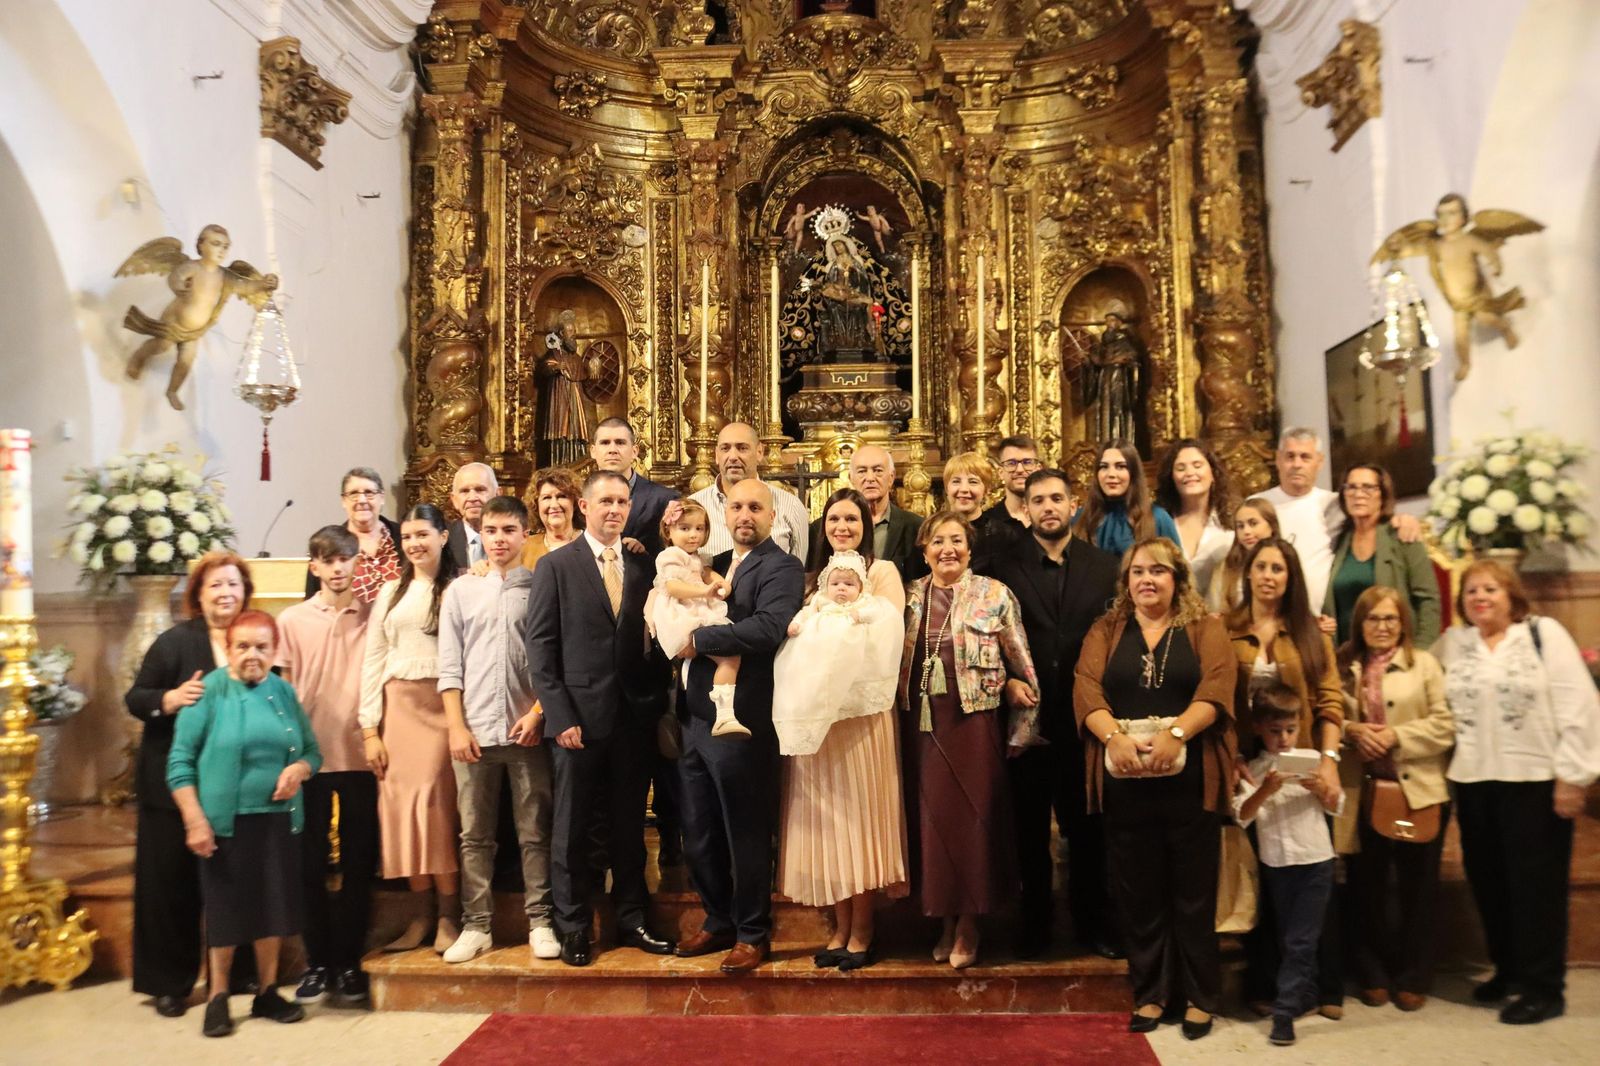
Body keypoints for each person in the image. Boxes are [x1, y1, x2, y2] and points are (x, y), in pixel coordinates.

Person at [1074, 537, 1236, 1040]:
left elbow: (1218, 686)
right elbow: (1085, 686)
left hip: (1190, 779)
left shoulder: (1205, 628)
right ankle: (1150, 994)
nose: (1147, 579)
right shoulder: (1107, 629)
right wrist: (1114, 738)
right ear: (1126, 581)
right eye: (1138, 571)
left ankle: (1199, 997)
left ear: (1178, 578)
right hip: (1126, 780)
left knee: (1192, 893)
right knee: (1138, 892)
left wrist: (1177, 733)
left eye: (1158, 571)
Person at [1434, 560, 1600, 1025]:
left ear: (1512, 595)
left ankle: (1544, 987)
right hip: (1474, 781)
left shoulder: (1543, 635)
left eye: (1490, 588)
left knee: (1536, 891)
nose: (1479, 597)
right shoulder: (1454, 643)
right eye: (1471, 591)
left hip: (1535, 782)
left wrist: (1572, 776)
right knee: (1490, 884)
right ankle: (1508, 972)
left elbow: (1579, 706)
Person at [525, 471, 677, 967]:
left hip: (632, 719)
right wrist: (561, 715)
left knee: (628, 825)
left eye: (621, 502)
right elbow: (541, 651)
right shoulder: (556, 566)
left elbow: (653, 641)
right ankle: (572, 926)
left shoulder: (642, 565)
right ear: (584, 507)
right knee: (571, 827)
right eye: (605, 501)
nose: (614, 509)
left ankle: (632, 917)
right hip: (577, 723)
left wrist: (652, 702)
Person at [982, 468, 1120, 960]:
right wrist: (1007, 681)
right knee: (1029, 832)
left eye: (1056, 498)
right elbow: (988, 635)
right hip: (1027, 719)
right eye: (1038, 499)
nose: (1048, 507)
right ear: (1027, 507)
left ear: (1072, 503)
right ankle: (1035, 927)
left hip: (1086, 718)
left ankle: (1092, 925)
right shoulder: (1003, 565)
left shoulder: (1104, 566)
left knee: (1087, 830)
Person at [673, 478, 806, 974]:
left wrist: (698, 637)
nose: (745, 514)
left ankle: (752, 931)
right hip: (694, 717)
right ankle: (718, 918)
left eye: (756, 507)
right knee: (698, 829)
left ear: (773, 517)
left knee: (744, 830)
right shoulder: (712, 565)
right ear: (724, 514)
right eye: (736, 506)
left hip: (743, 719)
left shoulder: (782, 567)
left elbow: (770, 627)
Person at [166, 610, 320, 1037]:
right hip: (224, 823)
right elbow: (179, 764)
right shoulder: (208, 692)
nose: (253, 655)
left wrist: (299, 771)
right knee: (226, 912)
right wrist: (195, 820)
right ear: (229, 649)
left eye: (262, 647)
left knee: (272, 908)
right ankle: (217, 996)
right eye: (243, 646)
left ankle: (267, 992)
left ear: (274, 652)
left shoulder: (283, 692)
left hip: (278, 820)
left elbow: (312, 750)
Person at [899, 511, 1042, 970]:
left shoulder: (994, 594)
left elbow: (1024, 667)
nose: (948, 549)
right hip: (920, 724)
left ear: (970, 547)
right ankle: (941, 919)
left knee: (972, 824)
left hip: (973, 723)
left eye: (957, 540)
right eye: (938, 540)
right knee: (931, 823)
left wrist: (1023, 725)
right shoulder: (907, 598)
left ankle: (968, 924)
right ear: (924, 549)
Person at [778, 490, 910, 972]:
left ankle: (864, 929)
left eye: (851, 518)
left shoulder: (881, 573)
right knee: (829, 824)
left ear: (867, 522)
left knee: (859, 819)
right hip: (820, 719)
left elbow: (888, 633)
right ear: (823, 526)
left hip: (862, 718)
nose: (842, 526)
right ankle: (839, 925)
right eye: (833, 518)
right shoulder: (814, 580)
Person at [125, 551, 256, 1019]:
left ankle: (237, 974)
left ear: (245, 592)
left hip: (233, 786)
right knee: (170, 886)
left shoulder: (254, 639)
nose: (225, 593)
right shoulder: (174, 642)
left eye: (233, 585)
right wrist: (171, 698)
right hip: (171, 787)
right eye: (215, 586)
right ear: (198, 596)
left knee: (232, 881)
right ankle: (169, 983)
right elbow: (136, 698)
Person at [1226, 535, 1347, 1019]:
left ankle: (1328, 987)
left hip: (1304, 761)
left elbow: (1331, 699)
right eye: (1263, 566)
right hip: (1252, 767)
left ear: (1290, 577)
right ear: (1249, 573)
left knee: (1317, 874)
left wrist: (1331, 758)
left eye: (1279, 568)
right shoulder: (1227, 629)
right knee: (1264, 878)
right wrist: (1230, 753)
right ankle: (1265, 981)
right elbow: (1219, 701)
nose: (1270, 575)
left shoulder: (1310, 633)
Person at [436, 496, 558, 964]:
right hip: (474, 732)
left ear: (525, 534)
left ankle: (541, 920)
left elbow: (552, 660)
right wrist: (456, 726)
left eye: (510, 530)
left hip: (525, 729)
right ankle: (477, 925)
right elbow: (450, 667)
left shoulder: (540, 585)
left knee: (534, 832)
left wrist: (539, 713)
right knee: (474, 835)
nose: (500, 539)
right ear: (480, 535)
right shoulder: (461, 591)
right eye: (492, 531)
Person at [1337, 586, 1455, 1011]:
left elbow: (1445, 725)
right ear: (1360, 625)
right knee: (1365, 885)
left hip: (1417, 791)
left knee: (1417, 888)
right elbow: (1330, 715)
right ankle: (1372, 971)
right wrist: (1354, 732)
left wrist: (1396, 736)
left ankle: (1414, 974)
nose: (1382, 627)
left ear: (1403, 622)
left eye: (1390, 618)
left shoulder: (1424, 665)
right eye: (1373, 619)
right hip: (1364, 792)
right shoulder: (1346, 665)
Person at [275, 527, 378, 1006]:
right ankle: (317, 961)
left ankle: (351, 961)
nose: (339, 568)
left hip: (360, 755)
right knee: (309, 865)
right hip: (309, 759)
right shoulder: (291, 620)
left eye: (346, 559)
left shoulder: (374, 615)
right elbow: (286, 691)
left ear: (358, 562)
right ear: (314, 566)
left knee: (359, 864)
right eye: (328, 560)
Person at [358, 503, 462, 953]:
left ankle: (449, 916)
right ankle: (419, 916)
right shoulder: (389, 592)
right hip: (397, 708)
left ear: (443, 536)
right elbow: (373, 660)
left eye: (423, 534)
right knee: (403, 817)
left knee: (436, 814)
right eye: (407, 537)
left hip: (442, 709)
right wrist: (369, 729)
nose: (415, 543)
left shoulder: (460, 588)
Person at [1233, 682, 1347, 1048]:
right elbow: (1242, 815)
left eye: (1290, 730)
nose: (1283, 739)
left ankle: (1283, 1014)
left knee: (1301, 939)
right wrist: (1267, 788)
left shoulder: (1313, 760)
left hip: (1316, 860)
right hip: (1278, 863)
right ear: (1258, 729)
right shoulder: (1253, 769)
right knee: (1288, 937)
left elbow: (1336, 805)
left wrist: (1321, 788)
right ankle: (1304, 996)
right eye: (1274, 731)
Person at [1254, 428, 1422, 615]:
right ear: (1278, 459)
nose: (1297, 464)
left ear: (1320, 461)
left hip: (1322, 620)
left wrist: (1405, 520)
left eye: (1305, 457)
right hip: (1272, 615)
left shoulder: (1336, 505)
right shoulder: (1257, 506)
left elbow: (1375, 517)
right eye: (1290, 456)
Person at [649, 499, 745, 738]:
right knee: (727, 655)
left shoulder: (697, 557)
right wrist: (704, 591)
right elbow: (673, 587)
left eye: (699, 529)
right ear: (668, 531)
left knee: (729, 657)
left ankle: (724, 714)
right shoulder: (670, 556)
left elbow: (705, 571)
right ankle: (723, 714)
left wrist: (720, 581)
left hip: (699, 608)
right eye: (685, 528)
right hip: (681, 612)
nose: (693, 535)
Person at [1323, 463, 1440, 647]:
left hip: (1397, 654)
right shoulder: (1337, 539)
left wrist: (1420, 654)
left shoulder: (1402, 535)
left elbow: (1428, 601)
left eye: (1368, 487)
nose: (1358, 494)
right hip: (1345, 655)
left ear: (1383, 495)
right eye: (1351, 487)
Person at [688, 421, 811, 563]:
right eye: (725, 448)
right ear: (716, 454)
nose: (733, 456)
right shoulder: (695, 506)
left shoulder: (790, 505)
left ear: (759, 452)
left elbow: (797, 571)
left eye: (742, 448)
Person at [1155, 437, 1237, 600]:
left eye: (1197, 465)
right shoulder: (1160, 521)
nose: (1190, 473)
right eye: (1180, 468)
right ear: (1171, 477)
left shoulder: (1232, 522)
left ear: (1213, 473)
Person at [307, 467, 402, 602]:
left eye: (369, 493)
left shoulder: (405, 537)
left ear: (382, 498)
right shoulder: (327, 543)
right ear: (344, 501)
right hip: (346, 621)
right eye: (353, 494)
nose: (362, 500)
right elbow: (313, 599)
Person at [1073, 439, 1179, 556]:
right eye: (1104, 467)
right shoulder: (1079, 520)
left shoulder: (1158, 518)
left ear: (1133, 473)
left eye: (1120, 466)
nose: (1111, 474)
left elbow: (1179, 569)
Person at [592, 417, 679, 557]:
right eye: (605, 443)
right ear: (593, 451)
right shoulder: (578, 497)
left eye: (620, 443)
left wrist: (643, 554)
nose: (612, 449)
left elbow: (678, 555)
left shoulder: (665, 499)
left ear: (634, 451)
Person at [849, 443, 926, 580]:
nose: (870, 478)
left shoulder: (917, 527)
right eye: (862, 471)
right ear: (851, 478)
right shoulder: (829, 528)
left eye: (878, 470)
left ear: (891, 477)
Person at [1207, 497, 1279, 613]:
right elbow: (1215, 610)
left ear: (1272, 526)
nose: (1246, 531)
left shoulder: (1286, 564)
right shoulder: (1225, 567)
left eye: (1253, 523)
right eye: (1240, 526)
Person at [976, 436, 1040, 549]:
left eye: (1027, 462)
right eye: (1011, 463)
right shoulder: (985, 524)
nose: (1020, 470)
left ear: (1038, 469)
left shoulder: (1050, 518)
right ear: (1000, 472)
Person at [943, 451, 1000, 568]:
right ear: (947, 488)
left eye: (973, 482)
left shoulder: (1002, 535)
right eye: (956, 481)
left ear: (986, 490)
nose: (964, 489)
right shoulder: (932, 533)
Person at [520, 467, 584, 569]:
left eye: (562, 496)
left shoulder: (590, 543)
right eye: (547, 498)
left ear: (575, 503)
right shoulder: (524, 547)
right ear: (536, 505)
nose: (554, 505)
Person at [444, 462, 499, 570]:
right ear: (454, 500)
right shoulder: (443, 541)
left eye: (480, 490)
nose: (472, 498)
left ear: (497, 494)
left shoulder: (516, 538)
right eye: (464, 491)